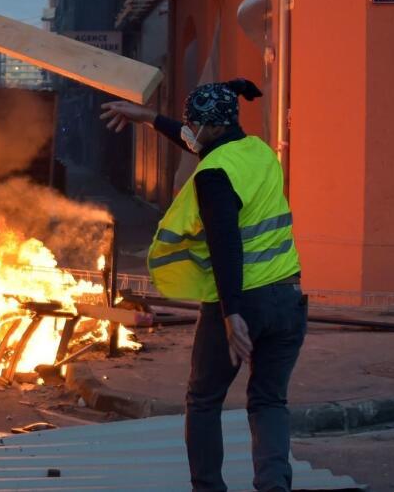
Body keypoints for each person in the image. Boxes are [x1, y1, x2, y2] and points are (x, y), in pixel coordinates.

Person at [101, 79, 306, 492]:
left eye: (193, 124)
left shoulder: (212, 176)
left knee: (204, 400)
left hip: (241, 304)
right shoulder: (259, 152)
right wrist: (148, 118)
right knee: (269, 401)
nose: (188, 129)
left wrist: (231, 314)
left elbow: (225, 244)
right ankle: (274, 487)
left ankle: (208, 488)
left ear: (212, 128)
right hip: (287, 297)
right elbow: (202, 144)